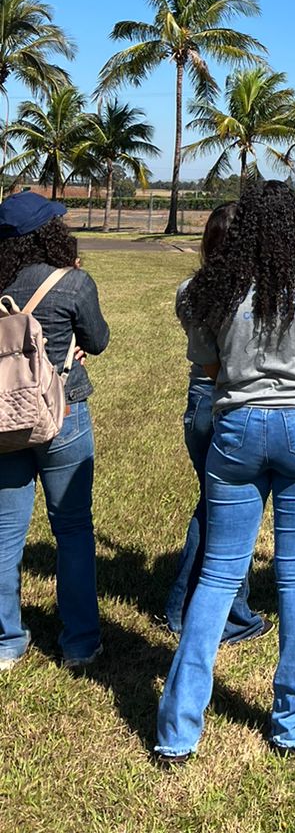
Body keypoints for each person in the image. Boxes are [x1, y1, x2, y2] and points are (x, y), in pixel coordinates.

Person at [155, 180, 295, 760]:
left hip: (236, 430)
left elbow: (209, 364)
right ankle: (292, 722)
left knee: (217, 574)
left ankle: (178, 729)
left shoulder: (205, 292)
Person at [0, 192, 110, 672]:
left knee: (5, 534)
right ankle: (80, 641)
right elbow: (99, 340)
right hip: (63, 412)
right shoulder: (73, 282)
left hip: (4, 418)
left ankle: (6, 640)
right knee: (72, 528)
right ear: (50, 233)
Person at [163, 202, 268, 643]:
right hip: (231, 398)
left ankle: (193, 606)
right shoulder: (256, 292)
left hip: (200, 398)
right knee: (229, 508)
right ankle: (222, 611)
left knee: (214, 502)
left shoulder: (191, 289)